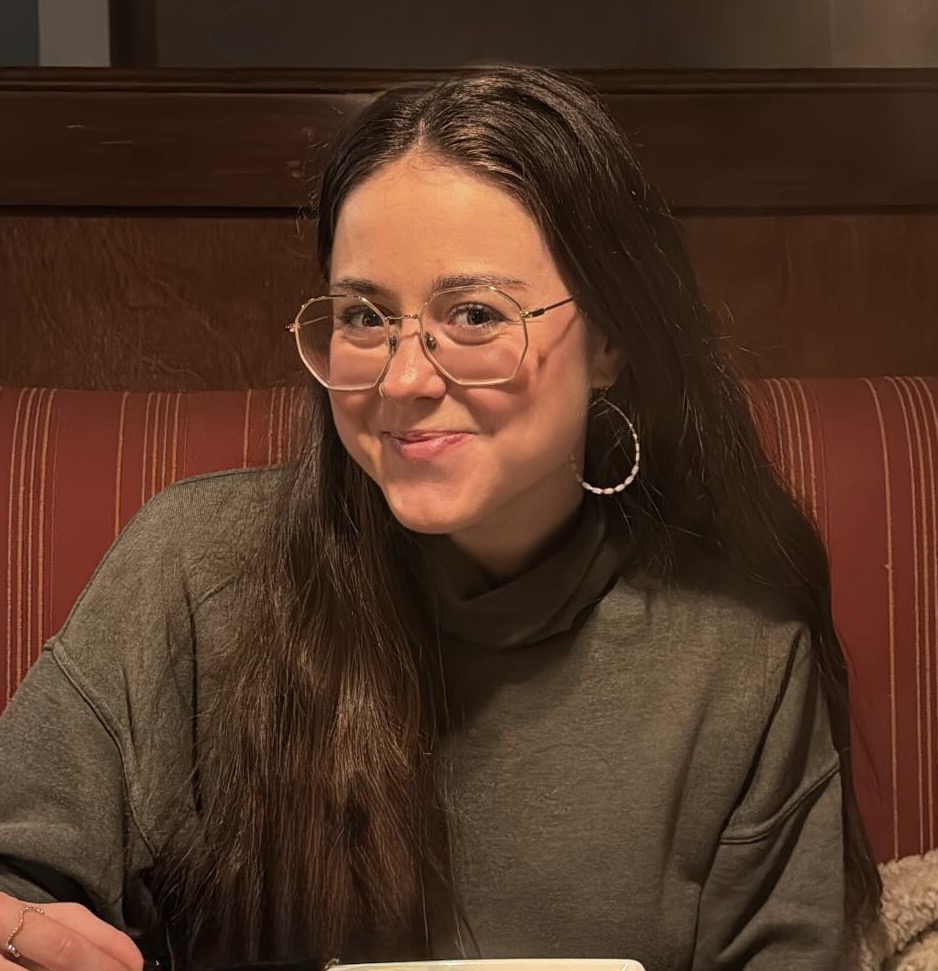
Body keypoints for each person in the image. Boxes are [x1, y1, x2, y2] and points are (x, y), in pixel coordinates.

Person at [0, 65, 879, 971]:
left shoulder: (738, 647)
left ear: (613, 340)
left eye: (473, 314)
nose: (405, 378)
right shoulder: (193, 569)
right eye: (364, 315)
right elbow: (15, 876)